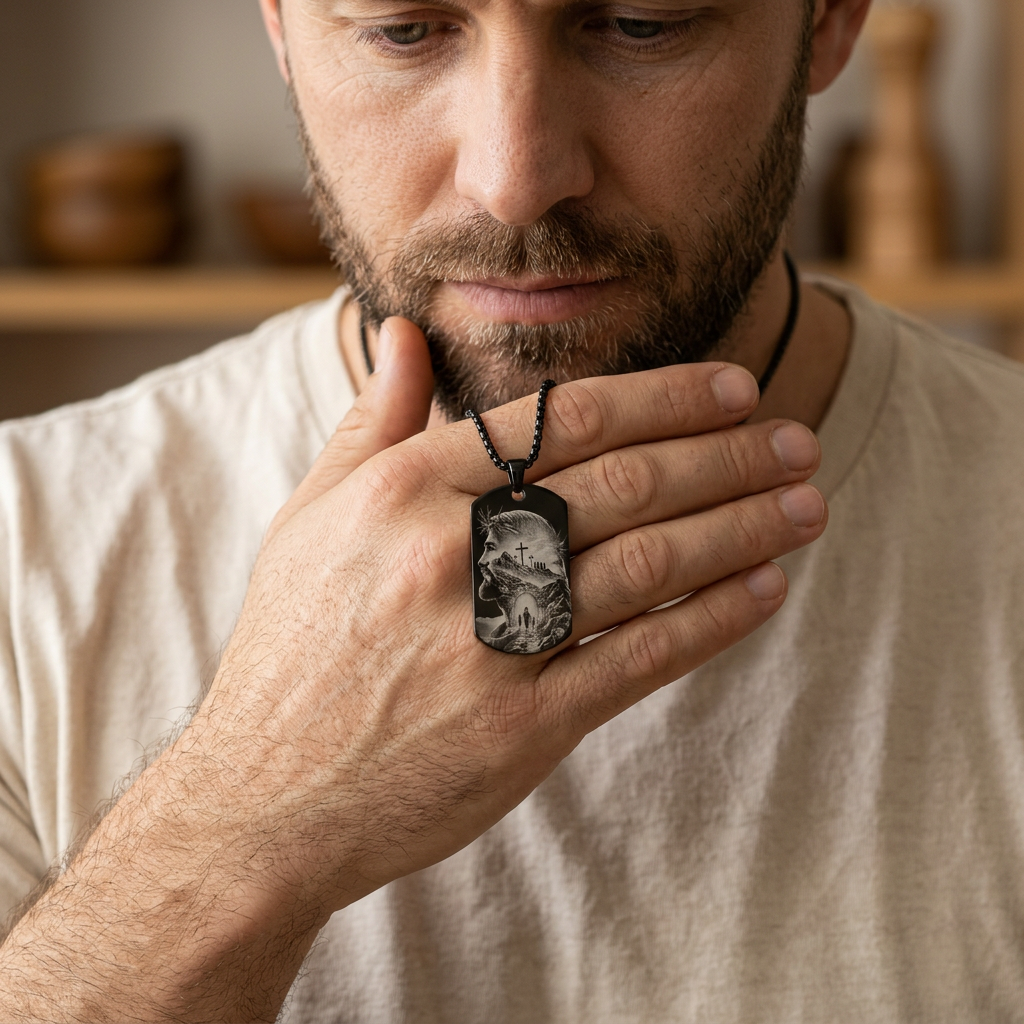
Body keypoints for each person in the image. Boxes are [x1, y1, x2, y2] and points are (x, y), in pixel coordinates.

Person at [2, 0, 1023, 1019]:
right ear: (277, 24)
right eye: (404, 29)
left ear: (830, 23)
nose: (516, 181)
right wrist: (249, 821)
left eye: (640, 22)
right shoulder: (22, 546)